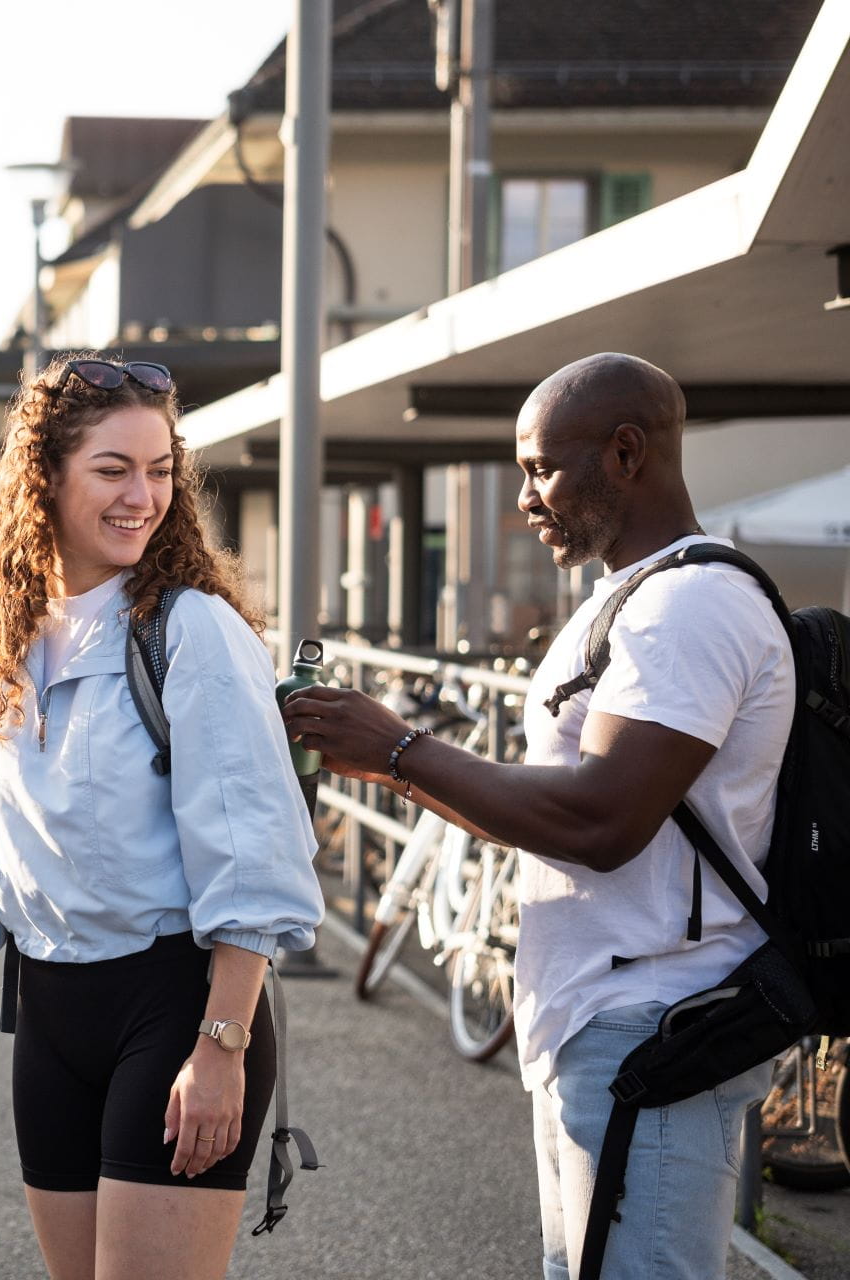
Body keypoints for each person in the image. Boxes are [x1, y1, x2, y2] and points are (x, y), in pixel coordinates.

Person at [283, 352, 794, 1279]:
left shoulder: (690, 605)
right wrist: (386, 758)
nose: (525, 499)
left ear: (626, 453)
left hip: (657, 1027)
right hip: (599, 1019)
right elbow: (541, 810)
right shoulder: (627, 597)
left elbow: (603, 821)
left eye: (540, 469)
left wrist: (400, 748)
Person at [0, 354, 325, 1280]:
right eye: (114, 470)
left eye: (161, 470)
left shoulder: (192, 630)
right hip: (48, 1014)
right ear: (44, 478)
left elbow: (252, 856)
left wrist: (223, 1049)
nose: (144, 496)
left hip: (176, 1005)